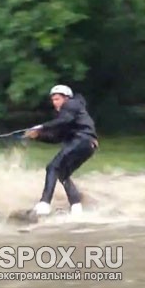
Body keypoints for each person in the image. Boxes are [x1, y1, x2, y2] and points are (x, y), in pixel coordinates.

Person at [24, 85, 99, 216]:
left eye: (57, 99)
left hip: (82, 140)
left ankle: (44, 205)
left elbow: (64, 120)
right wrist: (38, 136)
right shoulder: (67, 114)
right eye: (53, 100)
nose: (55, 103)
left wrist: (41, 127)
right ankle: (77, 208)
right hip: (87, 145)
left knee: (52, 167)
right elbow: (57, 138)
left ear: (66, 98)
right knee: (62, 173)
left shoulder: (72, 105)